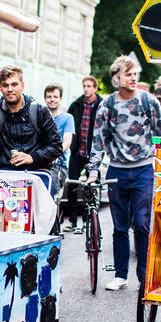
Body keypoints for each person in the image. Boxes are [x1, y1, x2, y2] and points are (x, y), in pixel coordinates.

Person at [86, 54, 161, 290]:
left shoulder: (148, 101)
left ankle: (144, 277)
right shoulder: (107, 105)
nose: (133, 78)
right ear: (117, 78)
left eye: (135, 74)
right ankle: (120, 275)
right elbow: (98, 141)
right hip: (117, 170)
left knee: (142, 224)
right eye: (128, 74)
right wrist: (93, 172)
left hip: (143, 169)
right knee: (120, 226)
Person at [0, 65, 63, 177]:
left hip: (38, 171)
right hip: (7, 171)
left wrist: (33, 157)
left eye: (14, 84)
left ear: (22, 86)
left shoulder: (39, 111)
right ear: (1, 88)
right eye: (5, 85)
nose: (10, 89)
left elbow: (56, 146)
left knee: (42, 193)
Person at [64, 75, 101, 232]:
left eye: (89, 86)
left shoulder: (101, 105)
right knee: (72, 185)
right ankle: (73, 221)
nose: (86, 89)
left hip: (93, 153)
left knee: (90, 187)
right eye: (84, 86)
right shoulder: (76, 105)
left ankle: (87, 220)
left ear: (95, 88)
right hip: (77, 152)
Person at [44, 83, 74, 209]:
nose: (52, 99)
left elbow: (67, 142)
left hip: (58, 164)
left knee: (51, 199)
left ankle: (52, 228)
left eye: (55, 97)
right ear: (45, 99)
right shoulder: (41, 116)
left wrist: (53, 155)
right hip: (40, 162)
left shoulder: (67, 118)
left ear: (60, 99)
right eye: (49, 96)